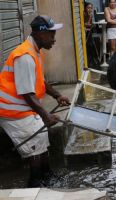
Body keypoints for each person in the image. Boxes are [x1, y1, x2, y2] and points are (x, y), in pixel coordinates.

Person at [0, 15, 70, 187]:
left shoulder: (34, 50)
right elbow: (27, 93)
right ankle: (36, 182)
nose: (54, 39)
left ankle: (47, 175)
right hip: (12, 110)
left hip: (23, 108)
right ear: (40, 33)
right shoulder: (24, 55)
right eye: (51, 35)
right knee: (33, 145)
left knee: (41, 137)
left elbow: (40, 80)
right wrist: (45, 115)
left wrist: (56, 95)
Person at [84, 1, 100, 69]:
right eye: (88, 8)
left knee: (91, 46)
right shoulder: (84, 15)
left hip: (89, 33)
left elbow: (89, 25)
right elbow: (85, 24)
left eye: (91, 8)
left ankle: (92, 63)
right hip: (85, 34)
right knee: (89, 46)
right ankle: (89, 63)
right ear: (85, 8)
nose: (90, 9)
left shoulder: (90, 14)